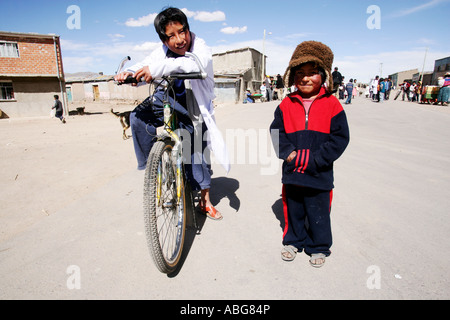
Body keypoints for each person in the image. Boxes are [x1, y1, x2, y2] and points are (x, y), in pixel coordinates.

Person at [115, 7, 229, 220]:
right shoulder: (160, 52)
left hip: (192, 103)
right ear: (163, 40)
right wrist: (129, 73)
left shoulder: (200, 46)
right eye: (171, 36)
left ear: (188, 29)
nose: (179, 39)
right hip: (165, 98)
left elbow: (192, 64)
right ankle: (153, 166)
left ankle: (205, 201)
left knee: (196, 153)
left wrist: (156, 69)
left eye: (182, 31)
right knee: (137, 119)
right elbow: (144, 65)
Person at [270, 41, 350, 267]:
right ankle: (293, 240)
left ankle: (319, 246)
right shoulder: (286, 103)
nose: (305, 78)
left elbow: (340, 138)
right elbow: (276, 131)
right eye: (300, 73)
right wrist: (288, 153)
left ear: (323, 76)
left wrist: (317, 159)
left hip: (319, 174)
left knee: (319, 212)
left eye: (312, 73)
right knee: (293, 209)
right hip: (293, 171)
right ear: (292, 77)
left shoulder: (333, 104)